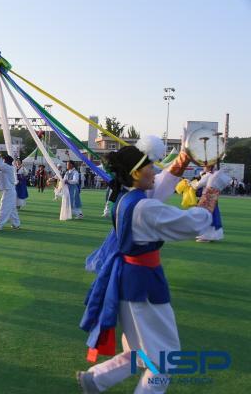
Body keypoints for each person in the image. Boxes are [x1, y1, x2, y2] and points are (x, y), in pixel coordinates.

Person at [77, 137, 231, 394]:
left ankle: (97, 379)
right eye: (150, 166)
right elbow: (194, 224)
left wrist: (184, 158)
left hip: (132, 281)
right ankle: (98, 379)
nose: (155, 170)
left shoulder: (128, 199)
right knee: (165, 359)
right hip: (144, 285)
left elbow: (160, 185)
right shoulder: (144, 207)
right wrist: (212, 190)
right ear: (136, 173)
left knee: (140, 351)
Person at [192, 165, 224, 242]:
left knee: (204, 215)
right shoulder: (215, 174)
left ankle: (205, 236)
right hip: (213, 197)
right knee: (213, 215)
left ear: (209, 167)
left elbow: (198, 185)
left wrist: (190, 183)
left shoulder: (208, 175)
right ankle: (211, 235)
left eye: (205, 166)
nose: (204, 167)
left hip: (206, 197)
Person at [0, 154, 20, 230]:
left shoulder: (8, 168)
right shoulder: (6, 169)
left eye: (3, 160)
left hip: (9, 191)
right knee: (12, 209)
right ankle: (16, 224)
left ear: (6, 161)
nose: (3, 162)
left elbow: (0, 165)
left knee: (4, 208)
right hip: (9, 191)